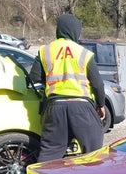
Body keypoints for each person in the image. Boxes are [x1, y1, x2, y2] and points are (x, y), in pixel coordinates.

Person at [30, 13, 106, 162]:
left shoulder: (45, 51)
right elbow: (97, 83)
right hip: (82, 107)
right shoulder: (84, 53)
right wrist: (101, 104)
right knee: (94, 152)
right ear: (75, 31)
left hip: (54, 106)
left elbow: (34, 76)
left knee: (50, 151)